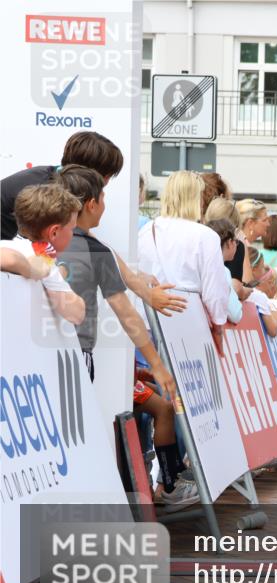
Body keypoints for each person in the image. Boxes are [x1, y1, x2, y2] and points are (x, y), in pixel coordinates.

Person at [53, 165, 177, 394]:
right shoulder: (97, 251)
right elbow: (126, 312)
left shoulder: (41, 240)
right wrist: (157, 365)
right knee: (78, 425)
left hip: (39, 355)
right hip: (77, 352)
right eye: (103, 198)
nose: (104, 205)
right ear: (92, 204)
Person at [138, 171, 235, 347]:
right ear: (196, 198)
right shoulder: (206, 236)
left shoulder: (146, 230)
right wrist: (218, 328)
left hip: (150, 322)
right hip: (189, 324)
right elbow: (214, 291)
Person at [1, 131, 123, 240]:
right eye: (106, 176)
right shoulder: (46, 192)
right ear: (88, 172)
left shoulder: (58, 179)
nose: (105, 183)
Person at [0, 184, 85, 324]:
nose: (73, 235)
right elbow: (77, 314)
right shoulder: (41, 259)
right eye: (72, 229)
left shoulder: (5, 244)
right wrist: (34, 269)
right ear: (54, 232)